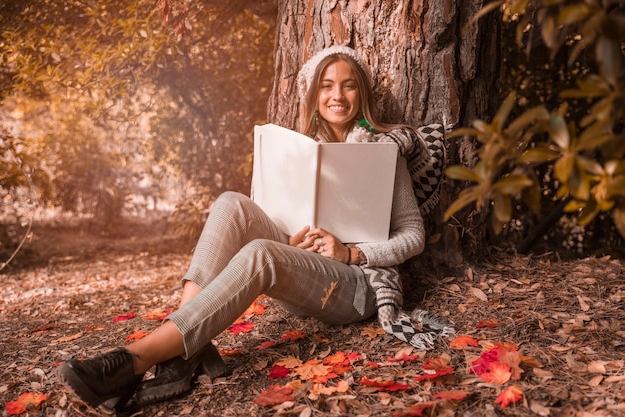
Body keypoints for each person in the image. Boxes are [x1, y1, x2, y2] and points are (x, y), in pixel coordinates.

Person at [56, 45, 453, 412]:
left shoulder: (385, 151)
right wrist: (294, 240)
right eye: (327, 86)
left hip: (354, 286)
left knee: (263, 251)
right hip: (304, 271)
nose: (338, 95)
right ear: (314, 95)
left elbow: (413, 234)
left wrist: (352, 253)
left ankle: (137, 358)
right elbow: (280, 221)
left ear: (361, 93)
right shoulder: (303, 152)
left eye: (349, 86)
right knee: (232, 203)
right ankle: (181, 352)